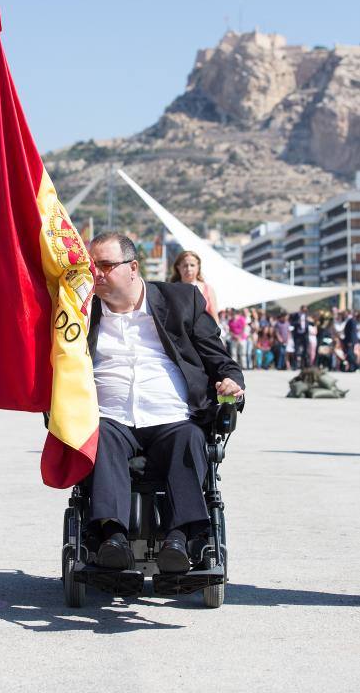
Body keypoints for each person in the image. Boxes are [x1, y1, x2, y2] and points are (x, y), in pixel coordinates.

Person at [87, 232, 244, 573]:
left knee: (189, 439)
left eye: (105, 265)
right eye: (91, 265)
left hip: (172, 416)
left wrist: (231, 381)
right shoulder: (80, 311)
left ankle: (178, 539)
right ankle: (112, 538)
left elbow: (220, 359)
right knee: (98, 436)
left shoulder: (181, 300)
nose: (95, 273)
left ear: (133, 268)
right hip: (109, 417)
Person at [170, 250, 219, 323]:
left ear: (198, 267)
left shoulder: (208, 289)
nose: (189, 269)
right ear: (178, 267)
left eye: (192, 265)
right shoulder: (171, 289)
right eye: (185, 265)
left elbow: (215, 318)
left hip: (203, 333)